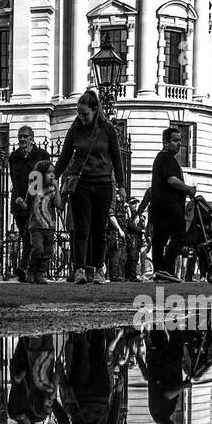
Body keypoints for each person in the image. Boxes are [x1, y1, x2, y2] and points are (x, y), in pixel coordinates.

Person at [55, 90, 126, 284]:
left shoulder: (107, 129)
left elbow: (116, 158)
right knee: (81, 228)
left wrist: (121, 185)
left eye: (84, 114)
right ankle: (79, 269)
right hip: (81, 184)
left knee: (99, 230)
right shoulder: (75, 128)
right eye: (79, 113)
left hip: (103, 183)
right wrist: (54, 176)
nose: (81, 117)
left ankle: (98, 270)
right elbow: (65, 156)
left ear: (95, 110)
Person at [54, 329, 128, 424]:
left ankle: (81, 320)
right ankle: (99, 323)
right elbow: (113, 420)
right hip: (101, 394)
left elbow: (63, 421)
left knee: (80, 352)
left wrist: (52, 402)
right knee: (98, 351)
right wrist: (118, 393)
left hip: (79, 395)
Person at [149, 127, 197, 283]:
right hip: (169, 207)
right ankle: (165, 268)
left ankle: (159, 271)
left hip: (161, 208)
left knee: (159, 241)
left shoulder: (162, 158)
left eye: (180, 141)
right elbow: (171, 179)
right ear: (166, 142)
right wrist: (188, 188)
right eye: (175, 141)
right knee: (179, 234)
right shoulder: (166, 158)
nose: (179, 144)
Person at [7, 126, 51, 281]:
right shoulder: (14, 157)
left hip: (35, 203)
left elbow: (46, 178)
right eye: (20, 136)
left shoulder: (42, 155)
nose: (22, 139)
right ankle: (31, 271)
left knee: (29, 235)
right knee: (25, 236)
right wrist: (18, 198)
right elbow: (14, 178)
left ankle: (25, 267)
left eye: (25, 136)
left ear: (32, 138)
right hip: (18, 202)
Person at [24, 159, 62, 284]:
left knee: (47, 252)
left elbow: (58, 205)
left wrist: (57, 189)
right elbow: (26, 204)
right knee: (37, 249)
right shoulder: (34, 189)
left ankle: (40, 273)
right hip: (35, 225)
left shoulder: (53, 190)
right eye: (48, 172)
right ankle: (31, 270)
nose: (52, 175)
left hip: (49, 226)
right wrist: (20, 202)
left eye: (53, 173)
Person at [105, 184, 131, 281]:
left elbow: (129, 220)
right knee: (115, 255)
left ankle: (120, 275)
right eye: (117, 194)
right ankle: (114, 275)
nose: (119, 196)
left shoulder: (122, 206)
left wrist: (128, 210)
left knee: (122, 256)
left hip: (122, 232)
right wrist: (119, 229)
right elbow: (112, 217)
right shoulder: (113, 205)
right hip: (114, 232)